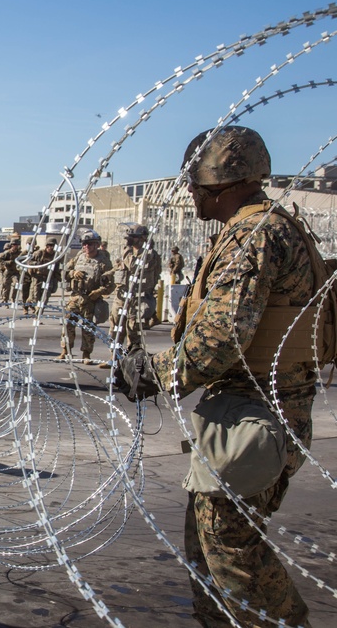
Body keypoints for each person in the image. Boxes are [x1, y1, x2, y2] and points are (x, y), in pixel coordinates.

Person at [118, 126, 319, 627]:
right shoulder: (261, 228)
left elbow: (222, 336)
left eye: (196, 182)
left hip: (259, 412)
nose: (190, 192)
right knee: (208, 547)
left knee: (232, 551)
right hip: (250, 406)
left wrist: (154, 373)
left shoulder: (253, 234)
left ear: (223, 182)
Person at [59, 229, 113, 363]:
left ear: (96, 245)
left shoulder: (104, 261)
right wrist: (73, 273)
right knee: (67, 324)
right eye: (84, 244)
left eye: (89, 244)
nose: (86, 247)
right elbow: (64, 271)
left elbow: (111, 284)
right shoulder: (79, 257)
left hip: (91, 299)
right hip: (75, 297)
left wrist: (98, 292)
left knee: (88, 328)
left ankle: (86, 354)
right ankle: (66, 350)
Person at [109, 223, 161, 351]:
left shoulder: (150, 255)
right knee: (116, 327)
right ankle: (115, 358)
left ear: (143, 238)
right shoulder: (128, 252)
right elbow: (118, 267)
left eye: (133, 237)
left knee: (133, 330)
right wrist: (107, 275)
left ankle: (131, 359)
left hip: (137, 299)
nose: (129, 240)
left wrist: (128, 252)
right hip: (122, 296)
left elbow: (134, 266)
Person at [25, 238, 59, 314]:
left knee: (45, 298)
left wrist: (57, 279)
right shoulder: (39, 253)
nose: (51, 247)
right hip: (37, 278)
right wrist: (37, 264)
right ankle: (30, 302)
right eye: (49, 245)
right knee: (35, 296)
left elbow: (57, 268)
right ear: (46, 246)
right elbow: (29, 262)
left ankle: (38, 314)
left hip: (48, 279)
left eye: (53, 245)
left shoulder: (56, 256)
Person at [0, 237, 21, 305]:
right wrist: (8, 262)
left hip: (16, 272)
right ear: (12, 245)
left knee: (17, 284)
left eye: (17, 245)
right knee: (6, 286)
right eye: (15, 245)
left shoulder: (19, 253)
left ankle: (13, 298)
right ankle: (5, 299)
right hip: (8, 271)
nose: (16, 246)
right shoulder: (7, 253)